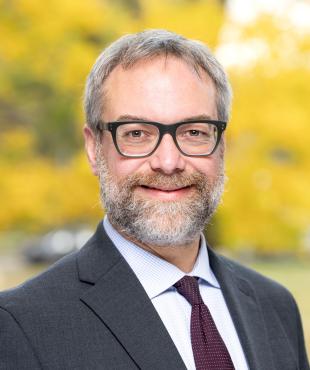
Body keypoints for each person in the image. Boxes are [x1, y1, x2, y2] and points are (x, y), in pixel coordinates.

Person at [0, 29, 308, 370]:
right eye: (136, 134)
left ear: (221, 145)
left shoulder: (276, 308)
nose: (168, 162)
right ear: (93, 148)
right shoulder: (21, 326)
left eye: (193, 132)